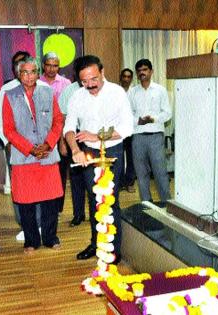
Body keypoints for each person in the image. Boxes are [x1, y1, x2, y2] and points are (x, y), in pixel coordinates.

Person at [64, 55, 133, 263]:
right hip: (88, 153)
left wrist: (96, 136)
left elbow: (127, 127)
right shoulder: (77, 96)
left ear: (102, 72)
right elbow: (68, 127)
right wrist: (75, 149)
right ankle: (96, 244)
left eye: (93, 79)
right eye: (84, 81)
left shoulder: (117, 93)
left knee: (110, 201)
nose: (90, 85)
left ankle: (113, 249)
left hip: (112, 151)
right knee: (94, 200)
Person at [2, 56, 63, 253]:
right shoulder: (9, 95)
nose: (29, 76)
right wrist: (30, 148)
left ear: (38, 73)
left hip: (48, 155)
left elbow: (58, 122)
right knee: (26, 203)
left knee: (51, 201)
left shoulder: (48, 91)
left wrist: (48, 144)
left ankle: (50, 237)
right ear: (18, 74)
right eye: (24, 72)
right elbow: (8, 130)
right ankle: (31, 241)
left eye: (33, 72)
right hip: (24, 157)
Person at [0, 51, 49, 241]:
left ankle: (41, 225)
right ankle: (25, 226)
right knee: (21, 189)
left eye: (29, 68)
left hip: (42, 149)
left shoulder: (44, 88)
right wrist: (8, 142)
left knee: (41, 187)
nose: (25, 73)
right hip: (16, 148)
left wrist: (46, 144)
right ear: (15, 70)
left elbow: (51, 119)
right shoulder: (7, 90)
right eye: (19, 67)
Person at [128, 59, 171, 204]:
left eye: (145, 69)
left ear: (151, 71)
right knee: (141, 174)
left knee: (160, 173)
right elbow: (127, 115)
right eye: (139, 70)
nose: (142, 73)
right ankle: (146, 204)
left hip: (155, 137)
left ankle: (167, 203)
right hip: (138, 137)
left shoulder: (160, 90)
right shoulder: (132, 92)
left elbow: (168, 113)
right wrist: (138, 121)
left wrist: (153, 119)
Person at [40, 52, 71, 215]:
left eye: (55, 65)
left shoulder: (66, 84)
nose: (52, 69)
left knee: (60, 174)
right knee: (43, 173)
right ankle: (44, 208)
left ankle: (57, 210)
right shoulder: (36, 82)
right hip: (41, 135)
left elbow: (68, 113)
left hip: (61, 135)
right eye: (49, 65)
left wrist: (63, 140)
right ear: (43, 65)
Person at [58, 60, 86, 227]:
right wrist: (62, 143)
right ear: (75, 73)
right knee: (75, 179)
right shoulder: (68, 91)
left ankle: (96, 213)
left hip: (92, 139)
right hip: (72, 138)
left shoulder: (95, 89)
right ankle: (78, 214)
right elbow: (62, 118)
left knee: (92, 179)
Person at [119, 68, 136, 193]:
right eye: (124, 76)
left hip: (131, 129)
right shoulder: (115, 91)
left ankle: (130, 182)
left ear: (131, 79)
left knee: (131, 157)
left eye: (129, 77)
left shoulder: (135, 92)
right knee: (118, 157)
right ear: (121, 78)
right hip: (117, 130)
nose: (126, 79)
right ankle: (119, 183)